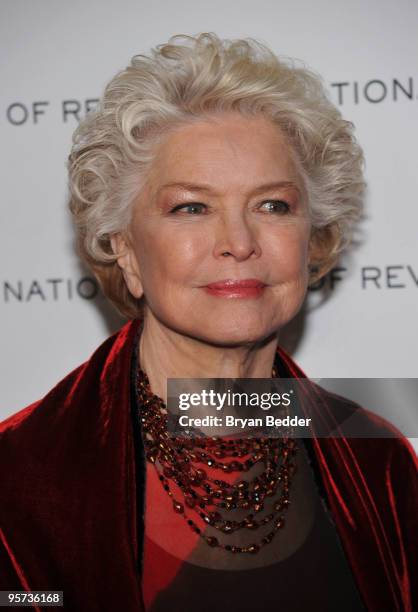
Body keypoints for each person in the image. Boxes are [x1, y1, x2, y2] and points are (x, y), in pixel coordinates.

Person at [1, 33, 417, 612]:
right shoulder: (20, 479)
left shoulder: (378, 462)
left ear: (312, 237)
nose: (239, 243)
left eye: (273, 205)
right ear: (124, 248)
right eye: (190, 207)